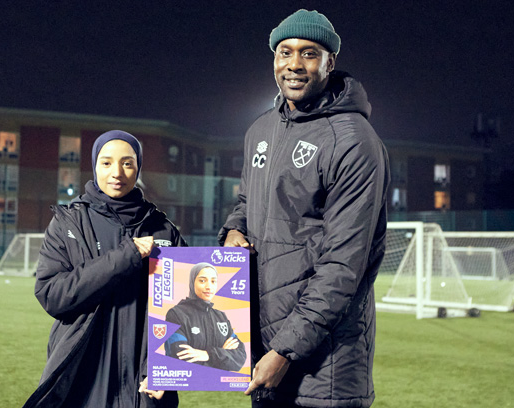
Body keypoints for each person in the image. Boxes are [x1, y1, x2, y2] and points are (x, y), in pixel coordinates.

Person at [219, 9, 389, 408]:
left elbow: (343, 267)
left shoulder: (354, 141)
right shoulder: (260, 130)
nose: (295, 63)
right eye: (285, 52)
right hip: (263, 349)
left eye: (309, 53)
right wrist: (233, 230)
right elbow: (248, 201)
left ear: (330, 63)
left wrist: (285, 352)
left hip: (325, 370)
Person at [24, 130, 184, 408]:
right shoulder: (68, 223)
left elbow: (184, 307)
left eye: (127, 163)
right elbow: (53, 295)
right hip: (85, 376)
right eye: (107, 162)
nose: (117, 172)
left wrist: (161, 370)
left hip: (145, 383)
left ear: (138, 168)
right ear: (95, 165)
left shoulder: (162, 228)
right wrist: (127, 256)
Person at [163, 262, 246, 371]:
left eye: (213, 281)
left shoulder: (221, 317)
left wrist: (208, 354)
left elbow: (240, 356)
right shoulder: (176, 314)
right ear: (192, 282)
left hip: (220, 386)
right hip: (187, 386)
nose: (209, 287)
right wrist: (223, 353)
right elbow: (180, 358)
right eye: (202, 281)